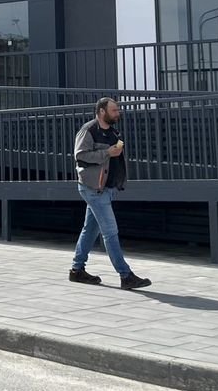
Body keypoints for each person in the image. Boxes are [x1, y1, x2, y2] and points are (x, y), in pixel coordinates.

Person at [70, 97, 151, 290]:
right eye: (114, 110)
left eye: (117, 110)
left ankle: (76, 270)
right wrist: (107, 152)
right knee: (110, 231)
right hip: (93, 189)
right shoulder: (88, 130)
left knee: (90, 229)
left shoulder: (114, 132)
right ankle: (125, 275)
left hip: (107, 188)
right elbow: (80, 156)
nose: (117, 113)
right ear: (101, 112)